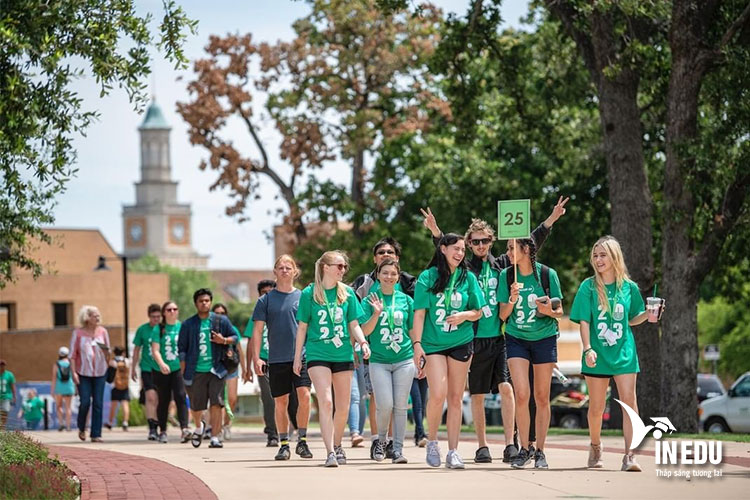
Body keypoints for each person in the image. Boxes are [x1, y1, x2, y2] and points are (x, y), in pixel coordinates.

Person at [422, 197, 567, 463]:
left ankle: (511, 443)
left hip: (501, 337)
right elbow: (447, 252)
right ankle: (482, 446)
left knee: (508, 388)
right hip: (474, 338)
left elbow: (529, 244)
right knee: (476, 393)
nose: (479, 246)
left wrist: (551, 220)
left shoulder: (503, 265)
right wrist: (435, 232)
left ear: (491, 242)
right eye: (474, 242)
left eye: (485, 241)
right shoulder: (465, 268)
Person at [570, 236, 655, 472]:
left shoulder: (629, 288)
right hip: (596, 354)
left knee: (630, 403)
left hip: (624, 353)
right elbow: (584, 321)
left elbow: (633, 318)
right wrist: (587, 348)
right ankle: (596, 445)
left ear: (614, 257)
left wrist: (648, 315)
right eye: (595, 255)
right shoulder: (588, 286)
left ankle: (630, 456)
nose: (598, 259)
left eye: (603, 255)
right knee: (597, 407)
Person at [412, 233, 486, 469]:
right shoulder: (427, 277)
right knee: (438, 393)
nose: (460, 253)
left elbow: (479, 311)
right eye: (456, 248)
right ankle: (432, 441)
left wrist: (464, 315)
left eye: (463, 250)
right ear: (443, 249)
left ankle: (453, 451)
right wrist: (417, 345)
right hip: (433, 344)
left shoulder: (468, 278)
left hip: (462, 341)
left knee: (455, 398)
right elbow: (420, 314)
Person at [293, 250, 371, 467]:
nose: (343, 270)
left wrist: (363, 342)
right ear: (325, 267)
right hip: (318, 353)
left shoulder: (346, 293)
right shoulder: (309, 293)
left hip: (343, 354)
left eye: (344, 266)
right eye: (339, 266)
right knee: (326, 401)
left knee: (343, 405)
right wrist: (297, 357)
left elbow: (354, 324)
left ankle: (337, 444)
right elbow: (302, 328)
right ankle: (329, 452)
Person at [499, 238, 564, 470]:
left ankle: (541, 451)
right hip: (516, 338)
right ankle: (524, 448)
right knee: (522, 394)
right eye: (507, 248)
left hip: (544, 339)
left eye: (511, 248)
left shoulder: (547, 274)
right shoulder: (506, 276)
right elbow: (502, 315)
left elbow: (559, 311)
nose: (507, 253)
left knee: (541, 396)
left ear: (525, 249)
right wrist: (512, 299)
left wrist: (546, 310)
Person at [351, 237, 416, 457]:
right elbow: (365, 331)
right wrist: (377, 314)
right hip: (378, 360)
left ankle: (397, 449)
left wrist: (419, 351)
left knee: (400, 406)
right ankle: (380, 440)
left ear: (398, 277)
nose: (389, 277)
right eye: (385, 273)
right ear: (378, 275)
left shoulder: (406, 300)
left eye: (393, 274)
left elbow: (412, 330)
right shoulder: (370, 299)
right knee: (384, 404)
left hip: (404, 359)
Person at [250, 262, 311, 461]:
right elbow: (257, 331)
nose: (285, 270)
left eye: (288, 267)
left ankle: (302, 440)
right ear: (275, 272)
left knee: (305, 396)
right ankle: (284, 444)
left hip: (301, 357)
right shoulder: (265, 300)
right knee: (281, 402)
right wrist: (257, 358)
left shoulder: (303, 297)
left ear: (295, 271)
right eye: (281, 267)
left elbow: (311, 326)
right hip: (276, 359)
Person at [178, 288, 238, 449]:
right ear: (196, 303)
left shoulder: (220, 321)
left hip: (217, 370)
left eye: (207, 301)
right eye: (201, 301)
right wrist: (183, 366)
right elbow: (181, 347)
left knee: (217, 404)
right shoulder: (188, 324)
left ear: (210, 302)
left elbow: (235, 337)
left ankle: (215, 437)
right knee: (197, 405)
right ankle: (199, 427)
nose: (204, 303)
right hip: (196, 370)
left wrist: (223, 340)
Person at [70, 305, 111, 442]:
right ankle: (82, 427)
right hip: (83, 373)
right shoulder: (78, 333)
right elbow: (72, 355)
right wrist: (74, 373)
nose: (98, 317)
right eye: (95, 315)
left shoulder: (103, 332)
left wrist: (107, 354)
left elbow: (108, 353)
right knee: (85, 402)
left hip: (100, 372)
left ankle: (96, 434)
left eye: (98, 315)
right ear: (87, 318)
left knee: (98, 403)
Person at [152, 301, 190, 444]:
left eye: (175, 309)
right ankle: (162, 430)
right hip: (162, 370)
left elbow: (187, 347)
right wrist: (161, 364)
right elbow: (155, 349)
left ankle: (184, 429)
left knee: (181, 396)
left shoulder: (182, 327)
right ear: (164, 313)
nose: (172, 312)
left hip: (178, 368)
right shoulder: (159, 329)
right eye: (169, 309)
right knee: (164, 400)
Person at [211, 302, 243, 441]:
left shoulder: (232, 329)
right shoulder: (209, 329)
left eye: (222, 313)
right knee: (217, 400)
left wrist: (246, 369)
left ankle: (227, 425)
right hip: (216, 368)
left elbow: (240, 348)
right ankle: (216, 429)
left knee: (232, 398)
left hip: (231, 367)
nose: (220, 316)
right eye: (217, 313)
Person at [132, 303, 162, 441]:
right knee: (150, 397)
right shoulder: (142, 330)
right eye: (153, 317)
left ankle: (161, 425)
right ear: (149, 316)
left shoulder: (164, 329)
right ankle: (152, 428)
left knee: (160, 399)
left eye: (158, 317)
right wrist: (133, 368)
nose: (156, 319)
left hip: (162, 369)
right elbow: (137, 349)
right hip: (146, 368)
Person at [105, 346, 131, 431]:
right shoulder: (127, 361)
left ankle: (110, 422)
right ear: (123, 352)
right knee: (125, 404)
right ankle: (125, 422)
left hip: (115, 386)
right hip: (125, 385)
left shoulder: (113, 362)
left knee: (113, 405)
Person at [52, 347, 74, 431]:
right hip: (69, 386)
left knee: (59, 406)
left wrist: (52, 390)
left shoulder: (56, 364)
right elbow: (74, 375)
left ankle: (61, 424)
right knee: (68, 407)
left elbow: (54, 378)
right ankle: (68, 427)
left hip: (59, 387)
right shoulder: (71, 363)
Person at [0, 360, 16, 430]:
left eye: (3, 365)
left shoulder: (9, 374)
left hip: (6, 396)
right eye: (0, 365)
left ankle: (2, 428)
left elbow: (12, 386)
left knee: (5, 412)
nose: (2, 367)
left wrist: (14, 396)